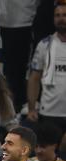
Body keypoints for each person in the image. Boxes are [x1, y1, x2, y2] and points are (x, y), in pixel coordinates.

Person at [28, 2, 66, 134]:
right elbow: (34, 78)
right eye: (57, 15)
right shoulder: (44, 44)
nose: (61, 18)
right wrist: (32, 108)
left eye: (65, 15)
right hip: (49, 112)